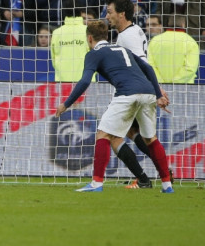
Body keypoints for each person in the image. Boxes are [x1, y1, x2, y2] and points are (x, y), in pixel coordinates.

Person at [55, 20, 174, 193]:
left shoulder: (94, 53)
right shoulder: (122, 49)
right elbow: (148, 69)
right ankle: (167, 185)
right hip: (148, 93)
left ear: (89, 38)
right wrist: (157, 94)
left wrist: (66, 104)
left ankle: (96, 183)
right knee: (150, 139)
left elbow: (85, 80)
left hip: (127, 93)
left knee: (103, 134)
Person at [105, 0, 171, 188]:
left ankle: (143, 179)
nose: (107, 16)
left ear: (121, 14)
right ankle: (163, 173)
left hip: (135, 92)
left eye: (110, 12)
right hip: (142, 89)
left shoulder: (128, 36)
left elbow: (143, 64)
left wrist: (156, 90)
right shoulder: (134, 31)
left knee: (112, 136)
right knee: (136, 132)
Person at [149, 15, 200, 84]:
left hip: (159, 88)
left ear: (168, 24)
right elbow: (190, 69)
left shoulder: (154, 41)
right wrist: (174, 83)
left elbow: (150, 65)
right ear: (183, 24)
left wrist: (161, 82)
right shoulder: (191, 42)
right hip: (184, 87)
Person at [50, 4, 89, 82]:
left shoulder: (56, 32)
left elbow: (53, 59)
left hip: (62, 80)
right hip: (86, 80)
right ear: (81, 13)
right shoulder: (88, 31)